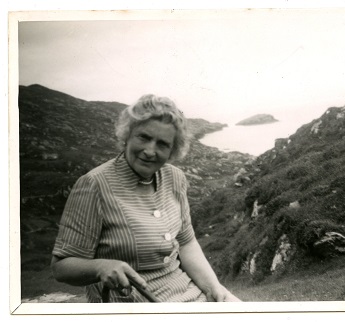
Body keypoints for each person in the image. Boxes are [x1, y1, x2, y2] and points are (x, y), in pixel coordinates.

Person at [51, 94, 240, 303]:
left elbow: (186, 243)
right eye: (144, 137)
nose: (150, 151)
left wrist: (215, 289)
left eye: (162, 144)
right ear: (127, 135)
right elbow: (61, 267)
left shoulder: (175, 178)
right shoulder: (94, 185)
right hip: (134, 305)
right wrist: (101, 267)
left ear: (172, 150)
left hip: (188, 295)